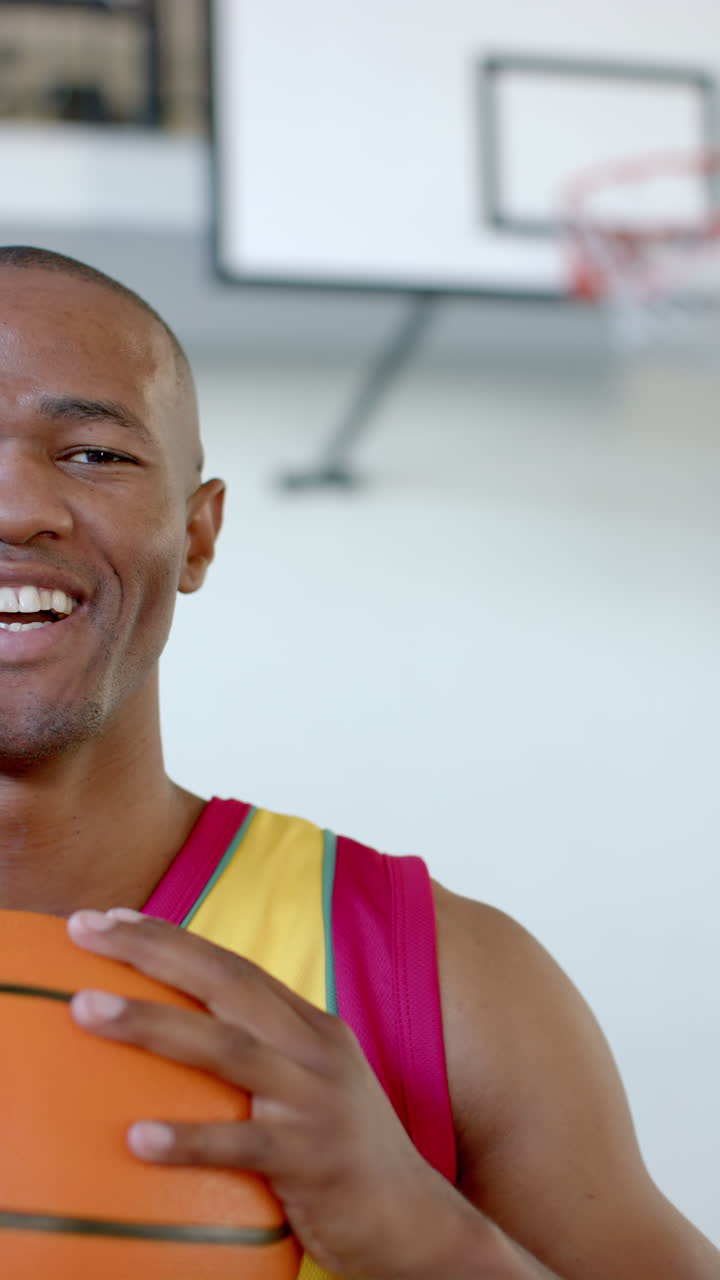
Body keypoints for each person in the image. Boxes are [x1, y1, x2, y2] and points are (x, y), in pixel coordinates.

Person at [0, 244, 716, 1280]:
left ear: (198, 535)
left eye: (93, 454)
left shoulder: (448, 982)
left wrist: (434, 1240)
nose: (18, 505)